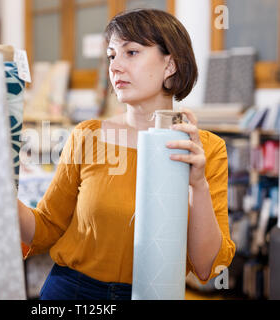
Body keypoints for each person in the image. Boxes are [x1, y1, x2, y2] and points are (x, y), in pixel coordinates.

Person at [17, 8, 236, 300]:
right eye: (111, 55)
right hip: (71, 291)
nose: (115, 66)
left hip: (156, 293)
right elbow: (45, 228)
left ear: (170, 64)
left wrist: (197, 184)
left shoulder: (203, 149)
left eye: (131, 52)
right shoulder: (87, 135)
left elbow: (207, 266)